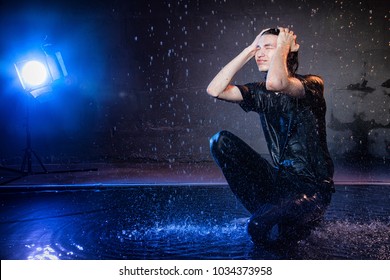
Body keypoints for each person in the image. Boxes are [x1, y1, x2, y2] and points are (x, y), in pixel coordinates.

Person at [206, 27, 335, 247]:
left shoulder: (311, 85)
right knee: (220, 141)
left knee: (261, 227)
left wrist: (284, 48)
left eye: (268, 48)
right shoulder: (260, 91)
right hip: (278, 182)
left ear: (286, 51)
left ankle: (273, 220)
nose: (260, 53)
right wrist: (248, 49)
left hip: (311, 189)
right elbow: (215, 90)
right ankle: (266, 211)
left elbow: (278, 83)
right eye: (258, 47)